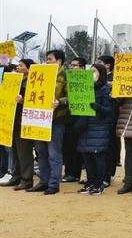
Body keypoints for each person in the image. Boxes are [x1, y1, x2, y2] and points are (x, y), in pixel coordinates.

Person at [28, 50, 68, 195]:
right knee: (41, 153)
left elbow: (73, 97)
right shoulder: (41, 74)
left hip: (56, 119)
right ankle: (43, 181)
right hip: (39, 119)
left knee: (54, 153)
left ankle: (54, 183)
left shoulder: (66, 76)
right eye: (47, 59)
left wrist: (60, 102)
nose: (48, 62)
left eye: (50, 59)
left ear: (59, 61)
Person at [76, 64, 112, 195]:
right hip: (85, 126)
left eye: (94, 71)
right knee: (87, 157)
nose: (91, 73)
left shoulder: (105, 90)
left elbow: (108, 111)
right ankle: (90, 182)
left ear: (101, 73)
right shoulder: (86, 88)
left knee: (98, 157)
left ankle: (98, 184)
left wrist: (97, 107)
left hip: (99, 128)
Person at [1, 59, 35, 190]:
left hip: (24, 120)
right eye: (18, 66)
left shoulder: (33, 82)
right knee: (14, 149)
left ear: (29, 68)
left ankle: (27, 179)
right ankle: (16, 176)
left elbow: (36, 100)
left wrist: (23, 101)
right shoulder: (16, 81)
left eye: (21, 65)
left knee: (24, 151)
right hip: (12, 119)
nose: (18, 68)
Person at [61, 57, 87, 184]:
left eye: (75, 65)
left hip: (80, 117)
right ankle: (68, 172)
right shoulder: (67, 80)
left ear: (82, 68)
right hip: (67, 117)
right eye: (71, 65)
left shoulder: (87, 81)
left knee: (76, 147)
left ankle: (75, 173)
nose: (72, 67)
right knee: (67, 147)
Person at [97, 54, 119, 187]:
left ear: (108, 65)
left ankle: (107, 175)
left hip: (110, 115)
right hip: (96, 116)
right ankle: (95, 175)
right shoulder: (96, 79)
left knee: (109, 146)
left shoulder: (116, 78)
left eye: (100, 62)